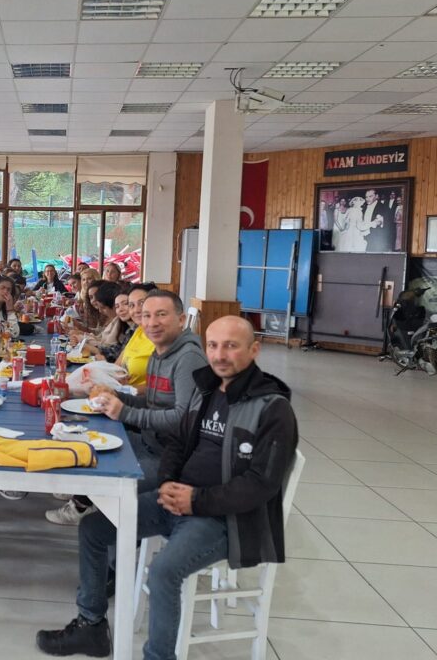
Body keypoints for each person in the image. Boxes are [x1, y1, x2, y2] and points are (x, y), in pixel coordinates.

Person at [37, 316, 298, 660]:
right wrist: (167, 483)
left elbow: (261, 484)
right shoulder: (207, 389)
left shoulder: (273, 409)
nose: (220, 355)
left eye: (231, 346)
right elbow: (177, 442)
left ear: (254, 350)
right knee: (94, 529)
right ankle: (91, 627)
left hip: (226, 520)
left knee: (163, 574)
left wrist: (196, 500)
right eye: (213, 345)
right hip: (178, 501)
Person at [48, 290, 207, 526]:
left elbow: (182, 419)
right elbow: (153, 402)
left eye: (161, 315)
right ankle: (85, 495)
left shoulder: (188, 358)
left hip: (170, 457)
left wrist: (125, 412)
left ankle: (91, 507)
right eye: (147, 315)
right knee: (85, 440)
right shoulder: (160, 352)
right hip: (149, 441)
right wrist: (118, 397)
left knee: (95, 476)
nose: (151, 322)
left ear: (181, 320)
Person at [116, 282, 157, 391]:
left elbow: (165, 389)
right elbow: (117, 365)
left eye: (141, 303)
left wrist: (126, 389)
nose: (136, 310)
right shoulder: (139, 330)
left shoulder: (162, 339)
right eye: (131, 305)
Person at [0, 275, 21, 340]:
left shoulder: (4, 311)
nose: (5, 291)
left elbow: (15, 334)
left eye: (8, 289)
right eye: (2, 288)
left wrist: (10, 309)